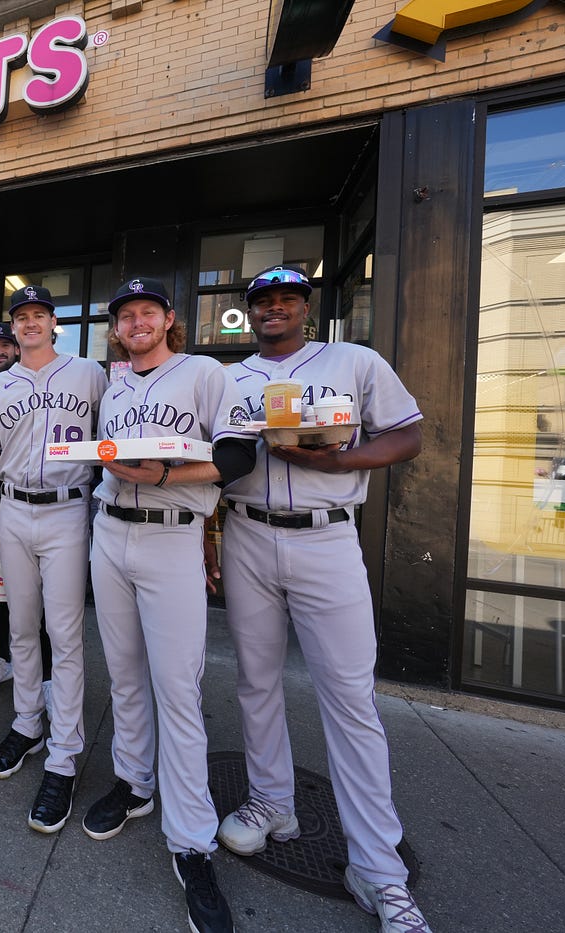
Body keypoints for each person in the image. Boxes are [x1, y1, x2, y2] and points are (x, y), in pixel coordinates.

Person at [216, 265, 431, 933]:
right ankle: (272, 800)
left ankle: (378, 866)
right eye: (263, 300)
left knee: (349, 696)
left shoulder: (353, 360)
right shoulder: (230, 378)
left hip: (327, 535)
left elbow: (408, 434)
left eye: (286, 298)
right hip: (248, 533)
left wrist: (341, 461)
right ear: (249, 311)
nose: (274, 308)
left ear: (305, 306)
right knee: (256, 681)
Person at [84, 278, 253, 933]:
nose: (136, 322)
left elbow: (236, 455)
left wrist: (161, 477)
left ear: (168, 318)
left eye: (146, 311)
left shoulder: (204, 371)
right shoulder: (115, 383)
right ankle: (134, 782)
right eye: (126, 315)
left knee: (177, 689)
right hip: (110, 529)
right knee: (124, 674)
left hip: (170, 533)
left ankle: (191, 841)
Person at [0, 285, 106, 833]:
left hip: (70, 509)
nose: (29, 324)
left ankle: (65, 754)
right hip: (15, 510)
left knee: (65, 633)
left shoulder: (90, 374)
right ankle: (28, 723)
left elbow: (112, 438)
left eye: (39, 316)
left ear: (54, 324)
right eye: (21, 316)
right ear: (13, 326)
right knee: (21, 626)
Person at [0, 323, 54, 700]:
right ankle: (4, 657)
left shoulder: (44, 384)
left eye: (6, 344)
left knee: (46, 596)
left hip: (43, 502)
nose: (0, 351)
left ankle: (48, 673)